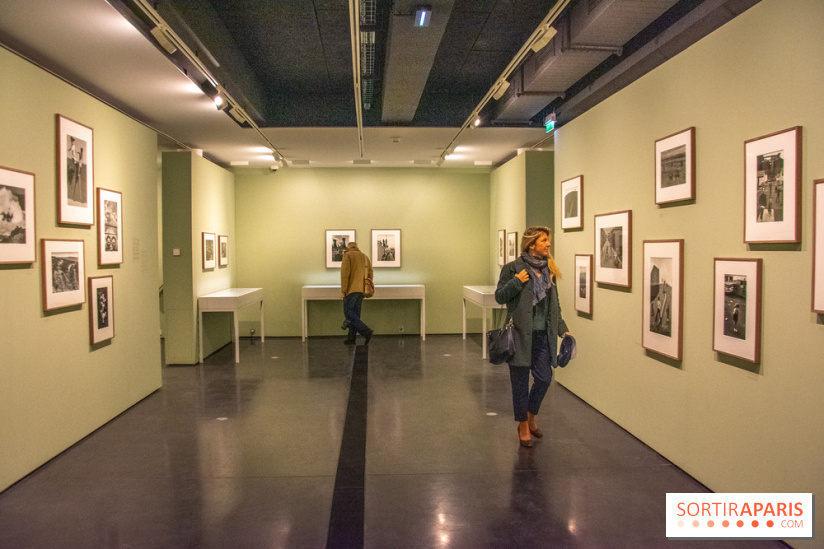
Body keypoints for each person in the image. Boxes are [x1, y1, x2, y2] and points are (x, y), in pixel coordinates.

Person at [495, 226, 570, 448]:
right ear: (531, 244)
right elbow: (500, 297)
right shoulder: (513, 269)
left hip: (542, 337)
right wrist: (517, 281)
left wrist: (563, 329)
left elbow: (554, 307)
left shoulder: (550, 270)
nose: (548, 244)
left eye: (548, 240)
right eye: (544, 240)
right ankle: (523, 425)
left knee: (545, 378)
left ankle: (531, 414)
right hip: (519, 336)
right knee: (519, 383)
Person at [341, 241, 374, 345]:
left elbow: (345, 274)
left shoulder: (347, 255)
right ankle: (351, 338)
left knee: (349, 313)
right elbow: (370, 274)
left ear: (348, 248)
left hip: (351, 290)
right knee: (356, 314)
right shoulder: (365, 257)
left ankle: (366, 331)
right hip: (361, 291)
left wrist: (344, 290)